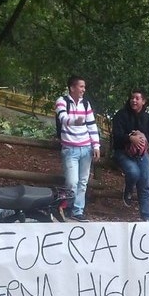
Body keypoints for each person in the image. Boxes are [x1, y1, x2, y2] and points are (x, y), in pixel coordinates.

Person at [55, 75, 100, 222]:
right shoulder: (62, 101)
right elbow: (63, 119)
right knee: (72, 182)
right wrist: (76, 120)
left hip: (86, 148)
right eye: (81, 87)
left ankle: (77, 211)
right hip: (70, 148)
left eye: (84, 87)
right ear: (72, 88)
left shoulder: (85, 104)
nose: (83, 90)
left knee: (82, 182)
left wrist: (96, 145)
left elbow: (92, 126)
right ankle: (65, 206)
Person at [111, 89, 149, 221]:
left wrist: (143, 137)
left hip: (142, 155)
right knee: (133, 172)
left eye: (137, 98)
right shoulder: (121, 115)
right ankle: (128, 189)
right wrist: (130, 138)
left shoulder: (147, 118)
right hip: (122, 152)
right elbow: (117, 136)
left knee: (145, 184)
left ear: (143, 101)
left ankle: (146, 217)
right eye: (132, 98)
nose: (134, 100)